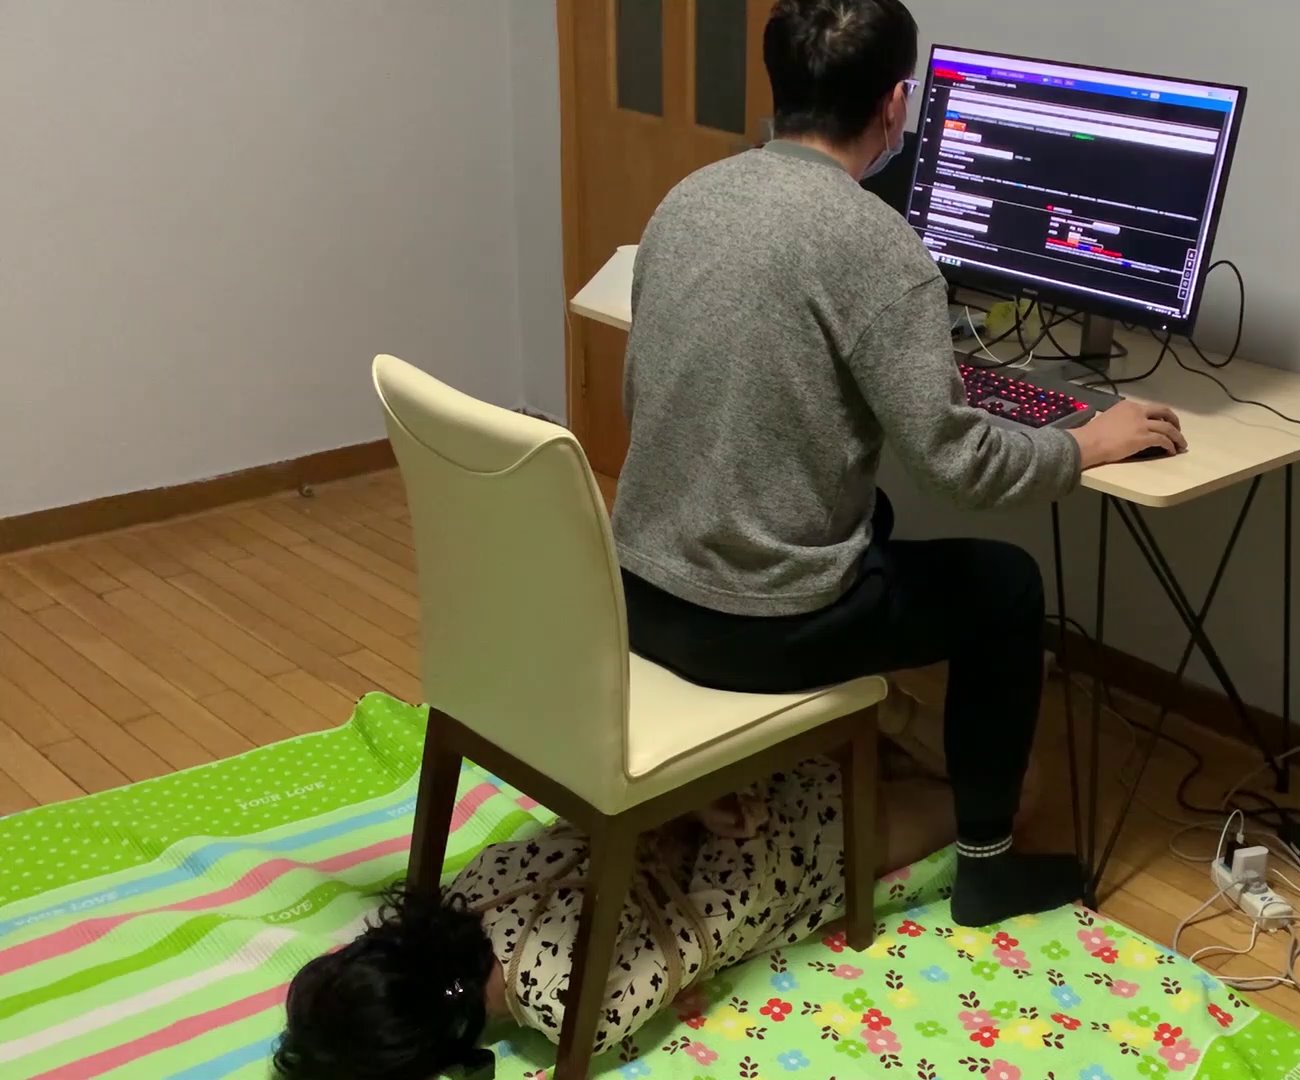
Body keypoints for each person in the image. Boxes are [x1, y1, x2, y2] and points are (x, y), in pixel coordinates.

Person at [612, 0, 1183, 930]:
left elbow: (654, 398)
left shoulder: (689, 199)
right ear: (894, 105)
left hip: (641, 593)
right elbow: (962, 466)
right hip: (755, 628)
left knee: (871, 517)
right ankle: (988, 864)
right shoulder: (880, 247)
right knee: (1006, 586)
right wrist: (1088, 442)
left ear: (779, 86)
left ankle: (875, 738)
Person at [275, 764, 955, 1079]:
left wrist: (727, 813)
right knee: (926, 762)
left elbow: (718, 917)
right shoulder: (468, 891)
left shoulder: (568, 1007)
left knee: (977, 799)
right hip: (725, 768)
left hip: (789, 843)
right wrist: (706, 794)